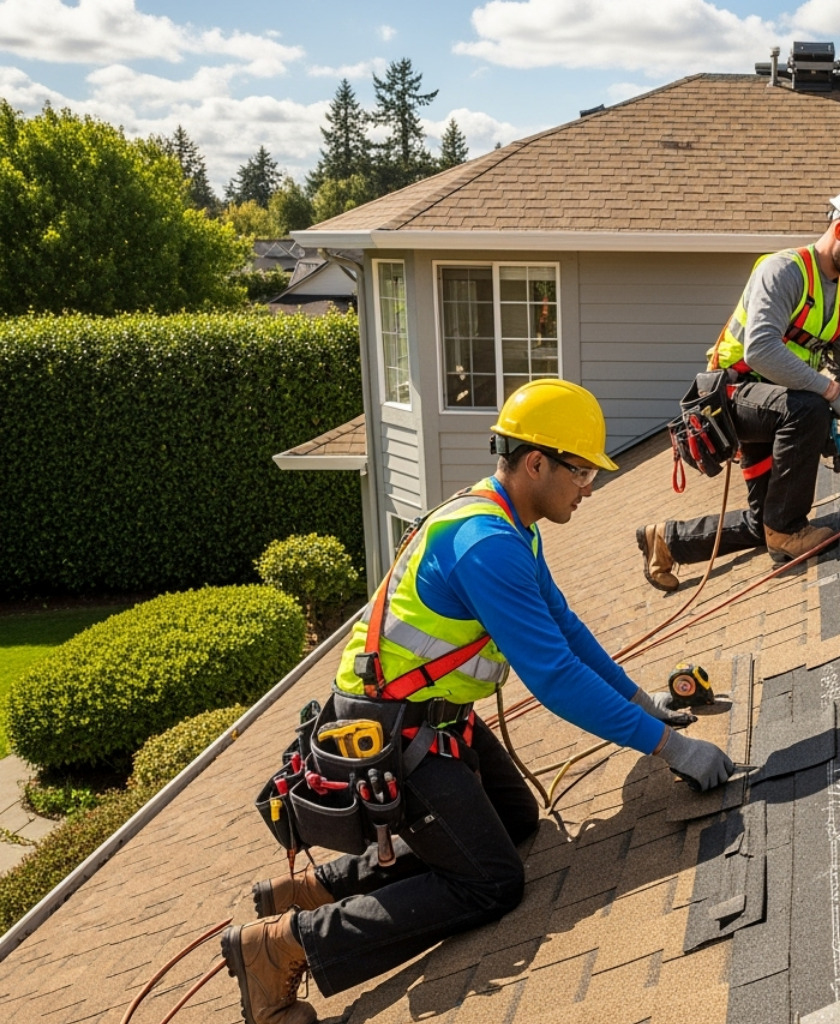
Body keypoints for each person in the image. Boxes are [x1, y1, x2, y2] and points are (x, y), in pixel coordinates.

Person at [222, 380, 735, 1024]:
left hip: (430, 719)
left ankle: (320, 885)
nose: (590, 486)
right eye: (580, 471)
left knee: (518, 820)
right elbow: (554, 678)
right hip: (391, 737)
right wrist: (672, 747)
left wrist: (641, 699)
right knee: (492, 882)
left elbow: (567, 631)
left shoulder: (508, 523)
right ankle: (283, 946)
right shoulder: (486, 546)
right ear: (536, 463)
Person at [638, 181, 840, 591]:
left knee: (766, 519)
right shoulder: (783, 271)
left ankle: (668, 541)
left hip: (777, 404)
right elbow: (760, 349)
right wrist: (833, 393)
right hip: (732, 397)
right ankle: (788, 529)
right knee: (810, 410)